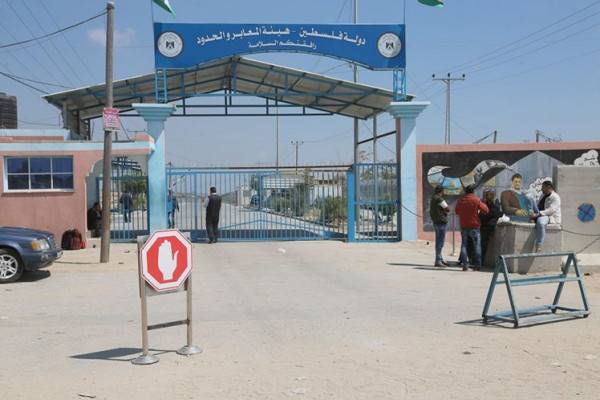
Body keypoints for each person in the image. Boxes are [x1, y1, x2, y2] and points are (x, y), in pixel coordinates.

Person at [455, 185, 489, 271]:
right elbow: (486, 210)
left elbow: (457, 211)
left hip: (464, 226)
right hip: (474, 226)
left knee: (464, 245)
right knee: (477, 245)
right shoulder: (476, 199)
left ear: (465, 191)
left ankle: (465, 265)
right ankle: (478, 265)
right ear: (473, 191)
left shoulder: (461, 200)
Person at [530, 180, 561, 252]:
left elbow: (551, 210)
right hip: (540, 214)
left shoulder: (555, 197)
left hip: (549, 216)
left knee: (541, 223)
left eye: (543, 187)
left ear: (548, 187)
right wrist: (533, 213)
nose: (541, 189)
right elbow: (538, 205)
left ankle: (539, 244)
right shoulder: (543, 195)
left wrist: (538, 214)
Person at [429, 186, 450, 267]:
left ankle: (440, 259)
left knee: (438, 241)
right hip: (441, 222)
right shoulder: (439, 199)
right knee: (440, 242)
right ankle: (438, 260)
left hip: (436, 221)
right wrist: (444, 211)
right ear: (441, 191)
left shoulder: (433, 198)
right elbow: (447, 209)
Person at [479, 190, 502, 263]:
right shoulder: (485, 203)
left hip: (488, 226)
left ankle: (481, 261)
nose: (487, 196)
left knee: (483, 244)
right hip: (485, 226)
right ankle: (480, 261)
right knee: (482, 245)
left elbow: (495, 213)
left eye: (488, 195)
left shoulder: (494, 203)